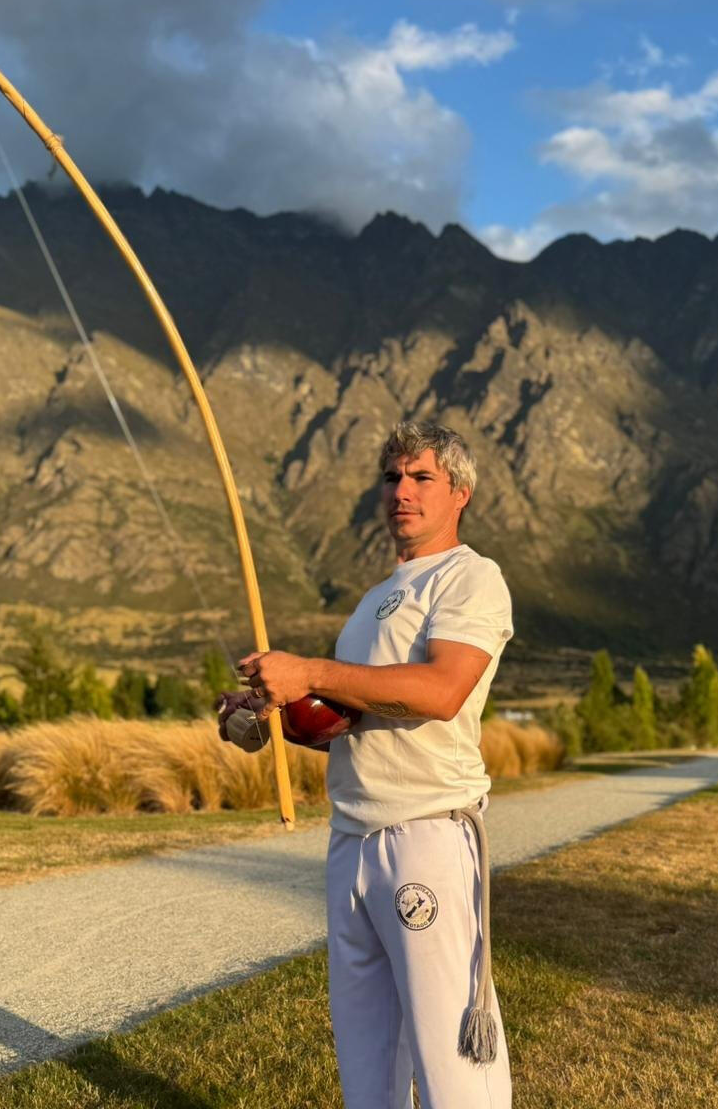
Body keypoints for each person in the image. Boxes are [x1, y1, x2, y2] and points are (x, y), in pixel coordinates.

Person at [218, 420, 513, 1109]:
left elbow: (440, 693)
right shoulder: (374, 602)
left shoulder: (471, 578)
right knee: (366, 1057)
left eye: (420, 478)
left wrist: (313, 668)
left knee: (453, 1062)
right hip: (350, 839)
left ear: (458, 492)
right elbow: (346, 725)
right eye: (390, 478)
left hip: (427, 837)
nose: (400, 492)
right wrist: (271, 712)